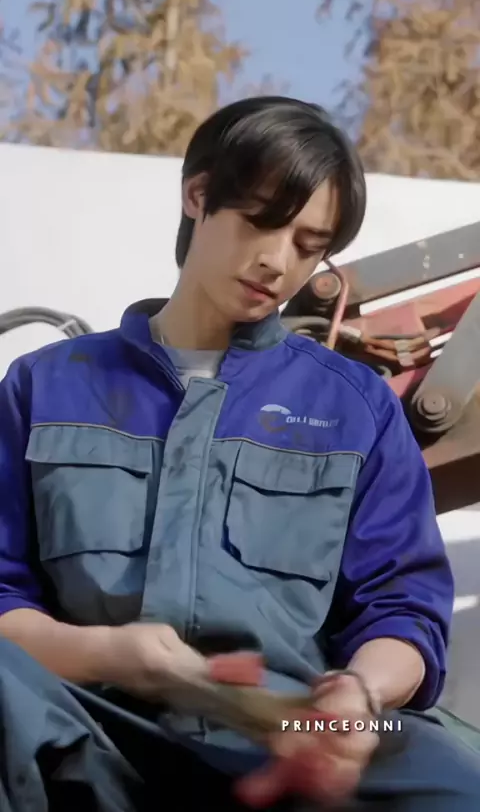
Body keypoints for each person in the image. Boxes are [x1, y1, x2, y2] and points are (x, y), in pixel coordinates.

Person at [0, 95, 479, 812]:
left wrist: (358, 695)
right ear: (198, 195)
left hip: (290, 730)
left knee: (458, 783)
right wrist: (108, 654)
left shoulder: (357, 407)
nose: (277, 262)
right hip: (83, 716)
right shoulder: (45, 385)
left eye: (309, 244)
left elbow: (402, 610)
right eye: (262, 220)